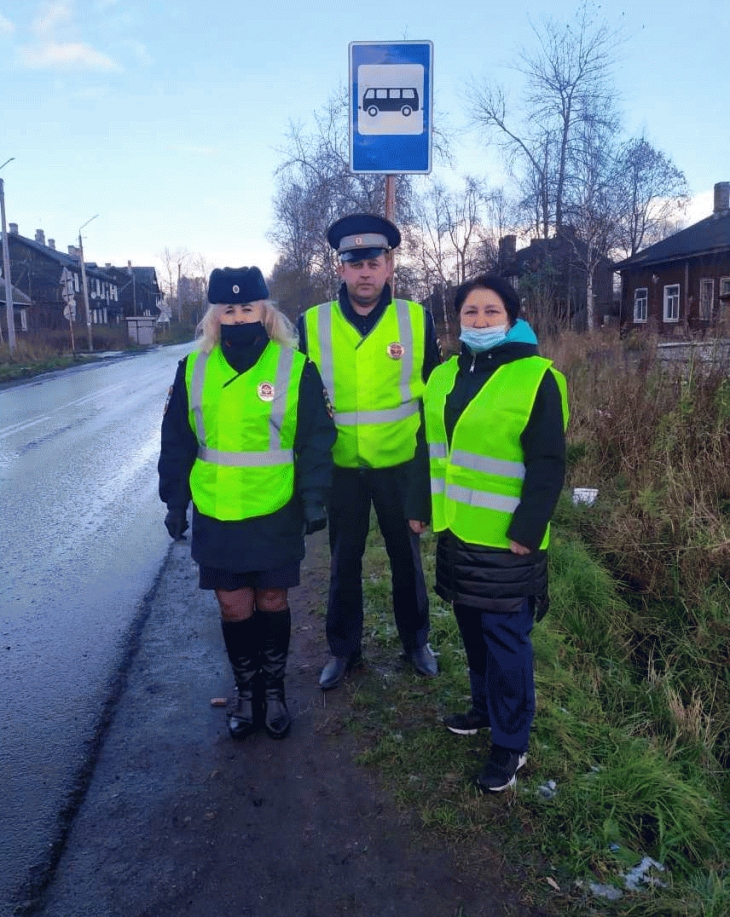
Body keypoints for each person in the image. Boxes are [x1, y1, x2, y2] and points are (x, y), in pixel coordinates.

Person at [158, 266, 336, 740]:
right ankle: (246, 692)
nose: (238, 317)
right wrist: (174, 501)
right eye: (229, 309)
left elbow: (317, 438)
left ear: (266, 312)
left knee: (272, 600)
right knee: (234, 606)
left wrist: (315, 497)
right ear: (215, 316)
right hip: (217, 510)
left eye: (248, 308)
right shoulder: (193, 368)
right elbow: (176, 441)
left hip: (275, 508)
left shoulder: (295, 367)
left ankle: (274, 693)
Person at [420, 274, 568, 791]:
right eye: (470, 312)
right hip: (458, 532)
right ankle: (483, 710)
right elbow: (431, 450)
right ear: (457, 319)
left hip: (509, 541)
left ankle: (511, 744)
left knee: (507, 643)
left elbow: (548, 463)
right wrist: (421, 507)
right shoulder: (444, 376)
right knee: (472, 631)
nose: (480, 321)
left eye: (491, 312)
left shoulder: (536, 377)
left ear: (511, 318)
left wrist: (528, 528)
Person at [298, 214, 442, 689]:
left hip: (400, 463)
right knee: (343, 563)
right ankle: (343, 651)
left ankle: (416, 641)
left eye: (373, 262)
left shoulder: (417, 318)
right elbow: (301, 402)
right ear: (340, 268)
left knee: (407, 560)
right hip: (342, 467)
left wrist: (430, 469)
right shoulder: (312, 323)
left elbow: (435, 395)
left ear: (389, 266)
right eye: (355, 263)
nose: (365, 273)